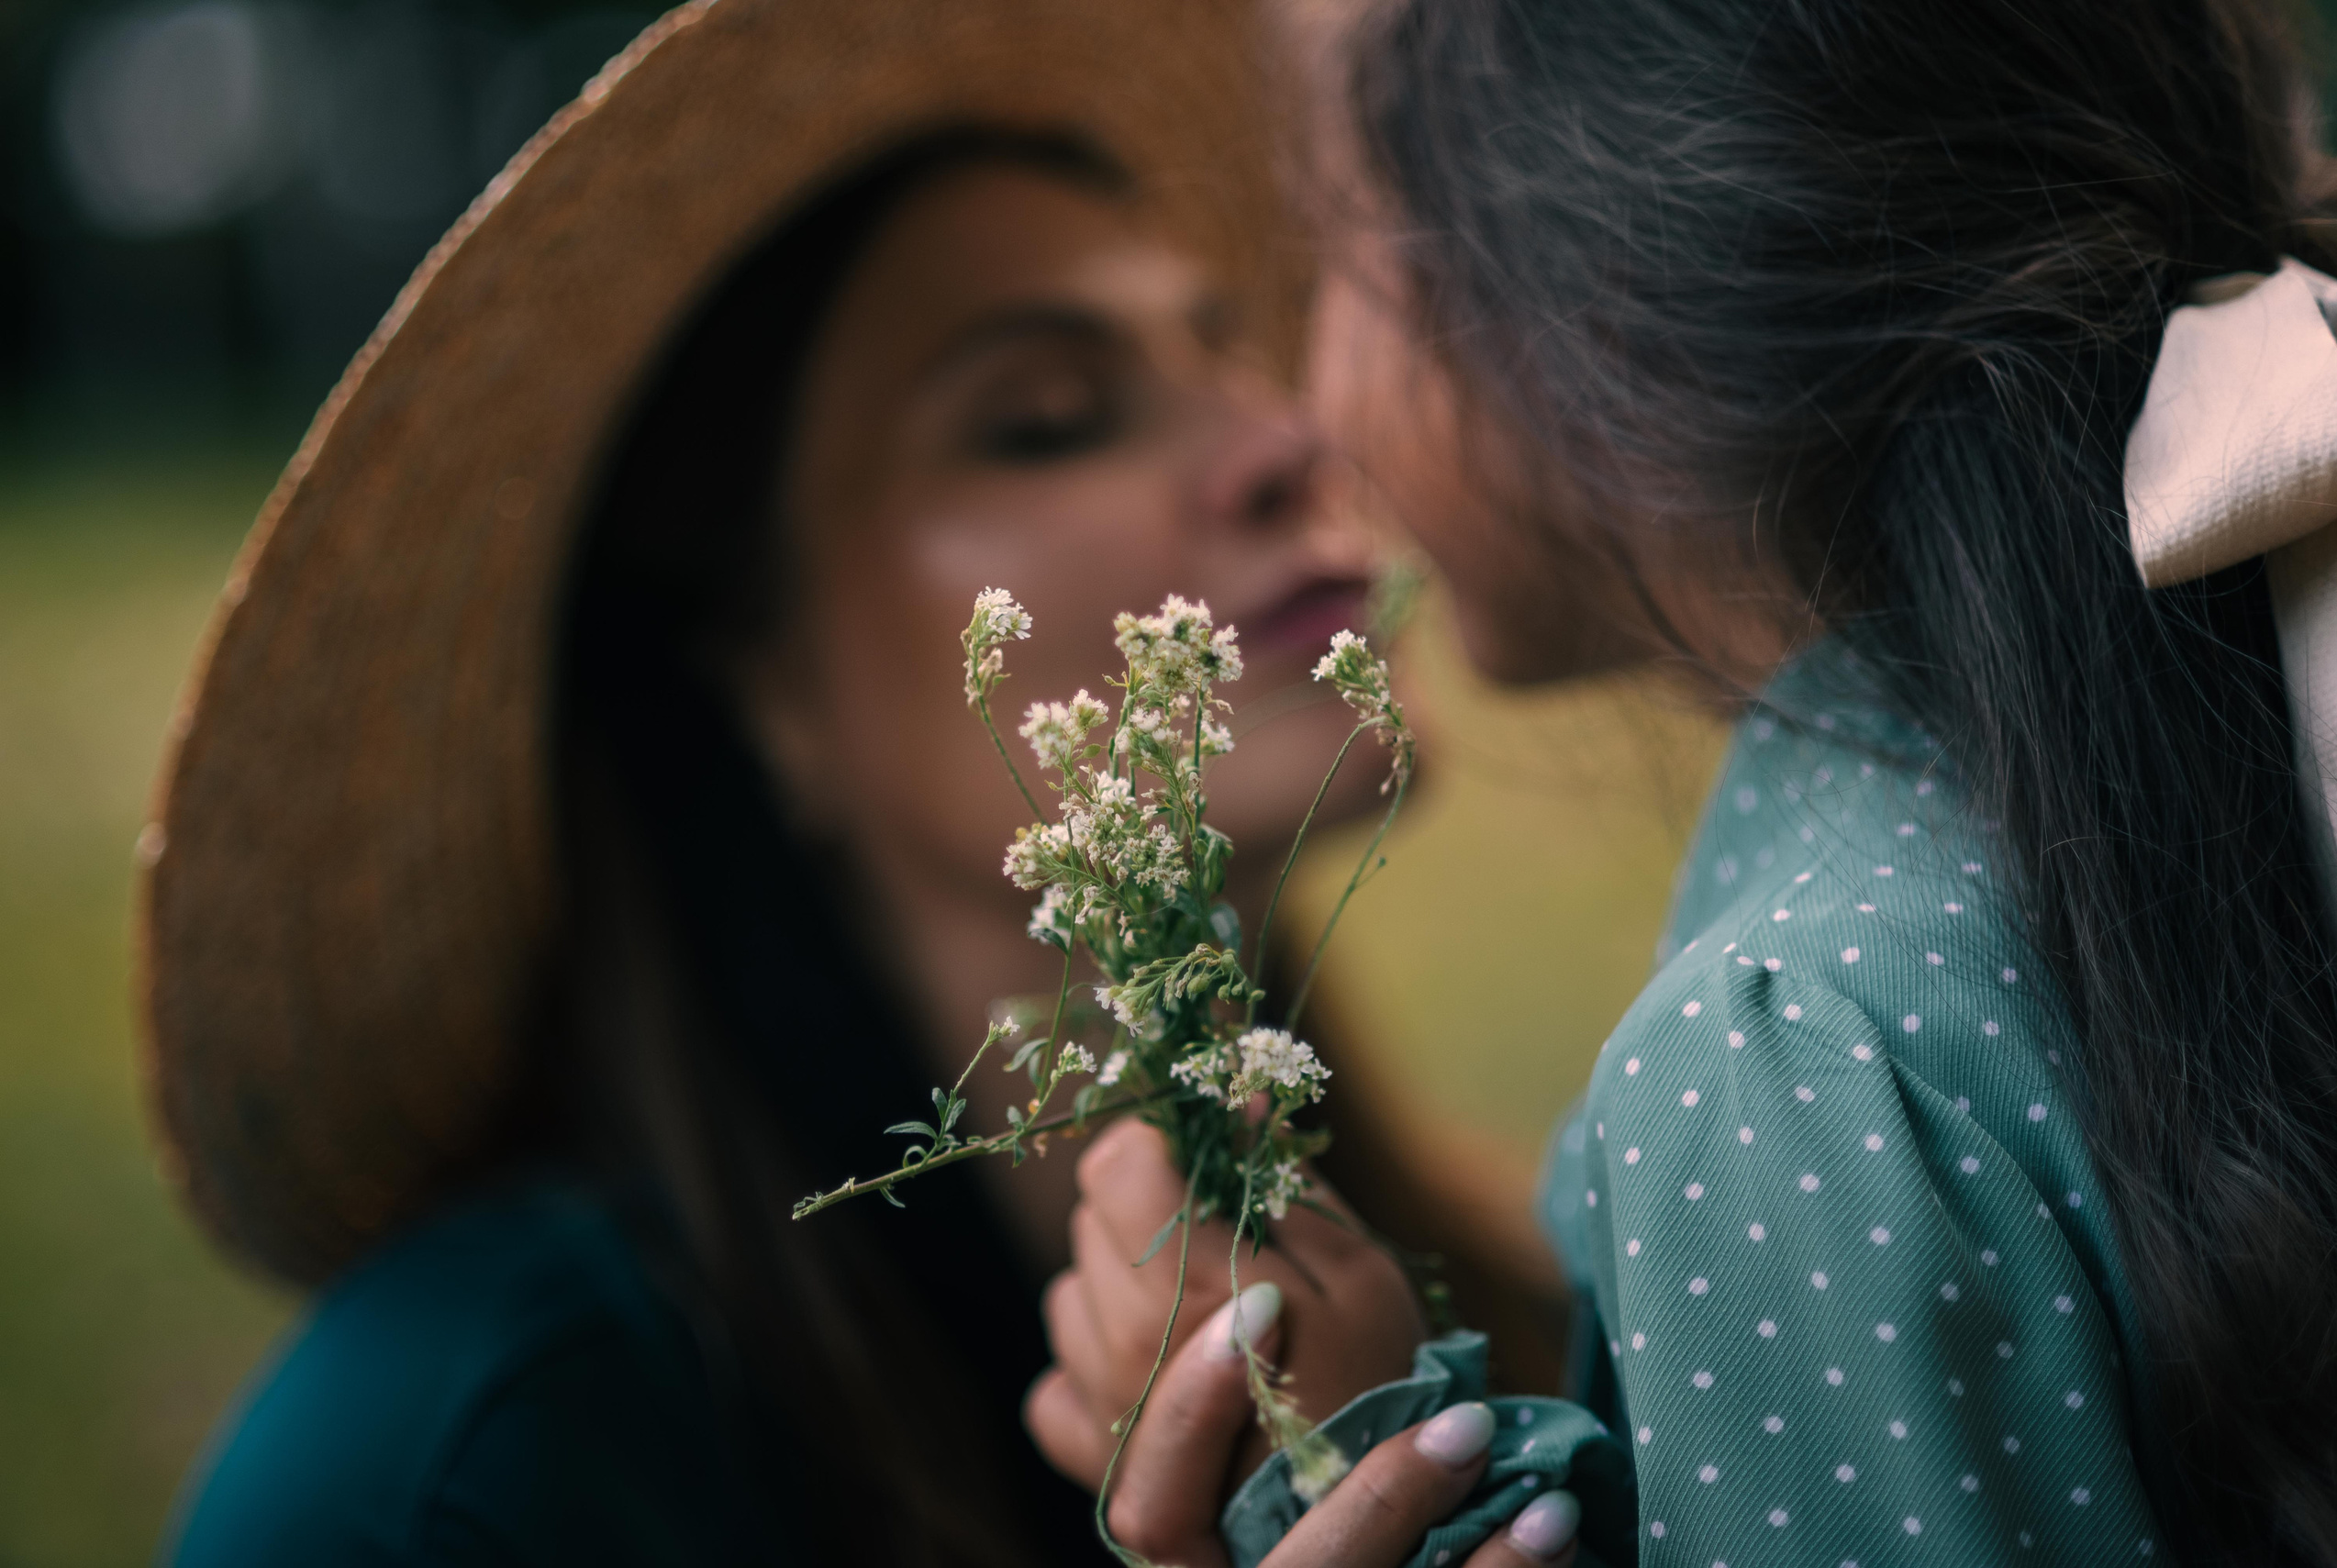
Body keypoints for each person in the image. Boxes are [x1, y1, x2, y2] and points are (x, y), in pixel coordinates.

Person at [142, 5, 1563, 1564]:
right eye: (1046, 416)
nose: (1291, 439)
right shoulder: (460, 1471)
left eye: (1231, 350)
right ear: (761, 690)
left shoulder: (1496, 1294)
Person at [1030, 0, 2337, 1562]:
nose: (1304, 418)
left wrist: (1367, 1468)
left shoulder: (1784, 1053)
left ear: (1589, 313)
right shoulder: (2237, 719)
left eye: (1339, 255)